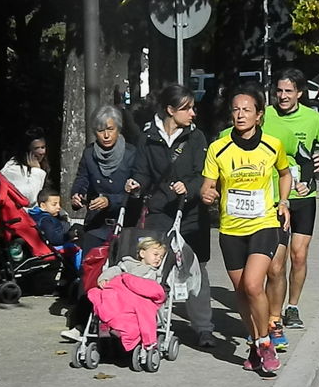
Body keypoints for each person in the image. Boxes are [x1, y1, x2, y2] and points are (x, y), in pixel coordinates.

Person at [201, 84, 291, 373]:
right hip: (230, 230)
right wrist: (207, 195)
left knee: (254, 284)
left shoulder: (273, 145)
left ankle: (265, 342)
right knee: (241, 292)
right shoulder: (218, 147)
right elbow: (207, 186)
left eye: (246, 110)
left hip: (264, 224)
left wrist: (284, 201)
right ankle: (255, 343)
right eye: (236, 110)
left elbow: (285, 173)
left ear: (259, 115)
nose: (240, 115)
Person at [124, 84, 216, 348]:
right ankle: (157, 324)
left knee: (197, 271)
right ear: (169, 110)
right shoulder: (147, 138)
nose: (192, 113)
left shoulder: (196, 138)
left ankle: (203, 327)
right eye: (186, 108)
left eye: (192, 108)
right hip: (160, 212)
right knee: (157, 269)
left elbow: (204, 173)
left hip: (191, 214)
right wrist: (135, 184)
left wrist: (190, 187)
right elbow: (141, 172)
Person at [264, 68, 319, 331]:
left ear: (299, 93)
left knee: (299, 256)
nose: (282, 96)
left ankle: (292, 307)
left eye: (288, 91)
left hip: (305, 195)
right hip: (275, 197)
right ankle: (272, 310)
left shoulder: (312, 119)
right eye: (279, 91)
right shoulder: (266, 116)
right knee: (276, 262)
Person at [62, 105, 140, 341]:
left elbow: (139, 192)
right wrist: (77, 196)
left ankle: (122, 322)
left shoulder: (132, 153)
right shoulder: (89, 154)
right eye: (100, 130)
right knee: (89, 272)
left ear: (118, 130)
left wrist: (111, 200)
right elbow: (82, 180)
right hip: (96, 224)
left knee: (121, 274)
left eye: (110, 129)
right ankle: (83, 323)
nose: (105, 135)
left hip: (125, 223)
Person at [0, 126, 50, 207]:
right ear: (27, 151)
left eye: (43, 147)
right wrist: (36, 171)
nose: (41, 152)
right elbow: (29, 199)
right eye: (36, 148)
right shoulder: (13, 168)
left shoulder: (41, 164)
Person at [97, 237, 166, 286]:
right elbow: (114, 270)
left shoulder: (156, 273)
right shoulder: (129, 264)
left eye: (161, 257)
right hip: (122, 291)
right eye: (155, 254)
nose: (158, 258)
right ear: (142, 254)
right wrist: (105, 278)